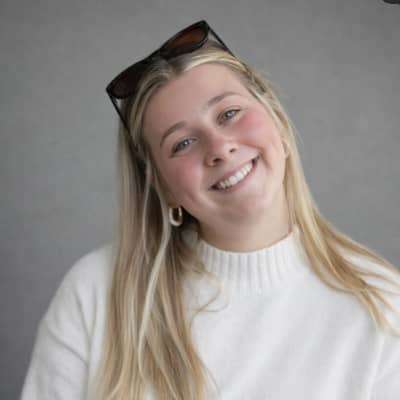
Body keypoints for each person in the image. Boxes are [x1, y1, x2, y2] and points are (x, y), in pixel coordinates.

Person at [21, 20, 400, 400]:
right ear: (162, 186)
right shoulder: (96, 291)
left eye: (229, 113)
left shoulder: (384, 307)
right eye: (182, 143)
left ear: (278, 122)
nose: (219, 147)